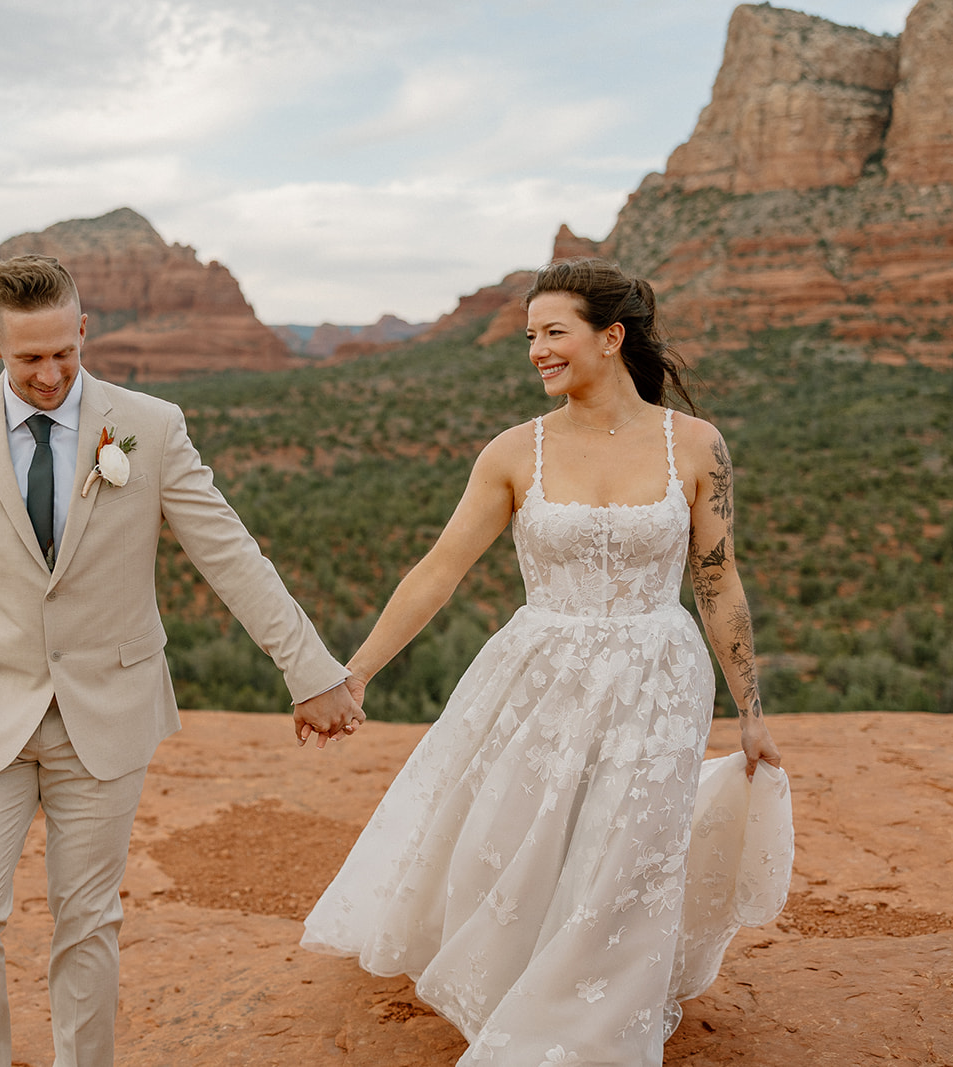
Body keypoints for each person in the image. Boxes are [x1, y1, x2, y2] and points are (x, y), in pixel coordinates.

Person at [0, 253, 363, 1067]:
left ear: (84, 329)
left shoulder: (150, 427)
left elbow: (228, 551)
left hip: (108, 709)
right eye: (29, 358)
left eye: (65, 352)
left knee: (86, 920)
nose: (52, 373)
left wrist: (312, 670)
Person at [301, 257, 786, 1064]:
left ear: (611, 337)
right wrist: (356, 671)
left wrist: (752, 713)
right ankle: (527, 991)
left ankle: (593, 1024)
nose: (536, 351)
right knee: (534, 836)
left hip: (659, 675)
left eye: (553, 333)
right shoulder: (513, 451)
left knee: (628, 847)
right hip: (538, 673)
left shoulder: (697, 446)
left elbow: (719, 580)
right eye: (530, 336)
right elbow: (439, 569)